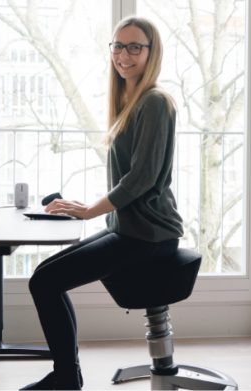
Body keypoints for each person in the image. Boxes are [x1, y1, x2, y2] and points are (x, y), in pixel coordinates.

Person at [21, 16, 184, 390]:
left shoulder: (155, 102)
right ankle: (67, 375)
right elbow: (130, 177)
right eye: (117, 46)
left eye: (134, 47)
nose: (123, 55)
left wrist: (90, 210)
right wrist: (87, 207)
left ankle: (66, 378)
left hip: (150, 237)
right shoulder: (131, 100)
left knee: (44, 282)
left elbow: (142, 179)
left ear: (150, 53)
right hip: (129, 229)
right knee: (45, 279)